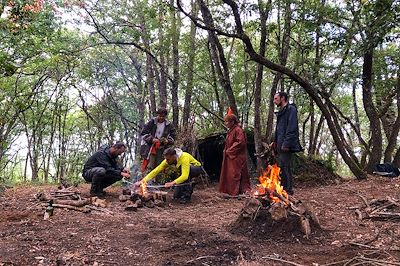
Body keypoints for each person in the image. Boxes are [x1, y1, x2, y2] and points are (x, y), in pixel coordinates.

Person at [137, 147, 202, 204]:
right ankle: (187, 188)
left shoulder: (184, 157)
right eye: (166, 159)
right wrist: (143, 181)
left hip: (196, 169)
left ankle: (187, 196)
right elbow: (156, 171)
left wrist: (172, 183)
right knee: (176, 196)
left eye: (168, 159)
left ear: (174, 156)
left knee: (186, 174)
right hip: (184, 173)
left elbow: (185, 176)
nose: (167, 161)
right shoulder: (167, 160)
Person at [272, 92, 302, 195]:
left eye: (276, 98)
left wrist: (286, 144)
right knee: (281, 166)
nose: (274, 101)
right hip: (280, 143)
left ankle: (288, 191)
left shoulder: (291, 110)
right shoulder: (281, 111)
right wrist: (275, 141)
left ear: (283, 98)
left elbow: (292, 128)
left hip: (286, 144)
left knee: (285, 166)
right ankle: (282, 189)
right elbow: (279, 129)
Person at [219, 114, 251, 196]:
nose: (226, 123)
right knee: (230, 174)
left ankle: (236, 191)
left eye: (227, 122)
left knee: (235, 174)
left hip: (237, 157)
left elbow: (240, 143)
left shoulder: (238, 130)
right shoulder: (231, 130)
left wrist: (229, 151)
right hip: (231, 157)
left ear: (232, 122)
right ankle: (231, 191)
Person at [140, 108, 177, 172]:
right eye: (160, 116)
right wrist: (152, 139)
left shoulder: (169, 125)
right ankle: (148, 178)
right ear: (157, 115)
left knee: (161, 164)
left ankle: (159, 178)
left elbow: (173, 137)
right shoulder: (151, 122)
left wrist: (167, 141)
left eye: (163, 116)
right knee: (150, 164)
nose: (161, 118)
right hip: (150, 147)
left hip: (163, 148)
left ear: (165, 116)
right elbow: (144, 134)